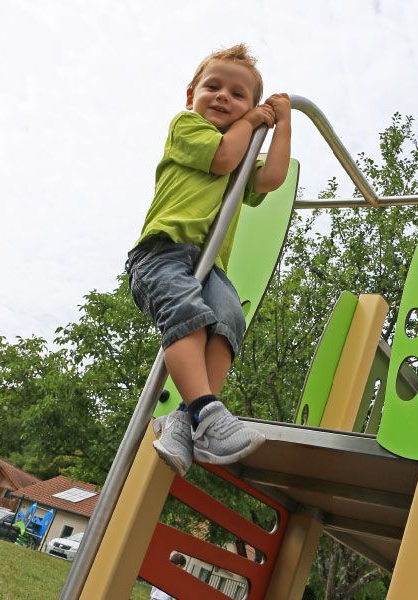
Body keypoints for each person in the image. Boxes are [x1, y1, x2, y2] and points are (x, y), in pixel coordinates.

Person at [126, 44, 291, 476]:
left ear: (250, 109)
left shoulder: (242, 155)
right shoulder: (187, 127)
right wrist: (254, 118)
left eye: (238, 95)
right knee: (188, 315)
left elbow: (272, 177)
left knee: (230, 318)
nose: (222, 97)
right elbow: (221, 159)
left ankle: (186, 419)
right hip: (162, 251)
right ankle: (208, 412)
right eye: (212, 86)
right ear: (190, 96)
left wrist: (282, 122)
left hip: (207, 265)